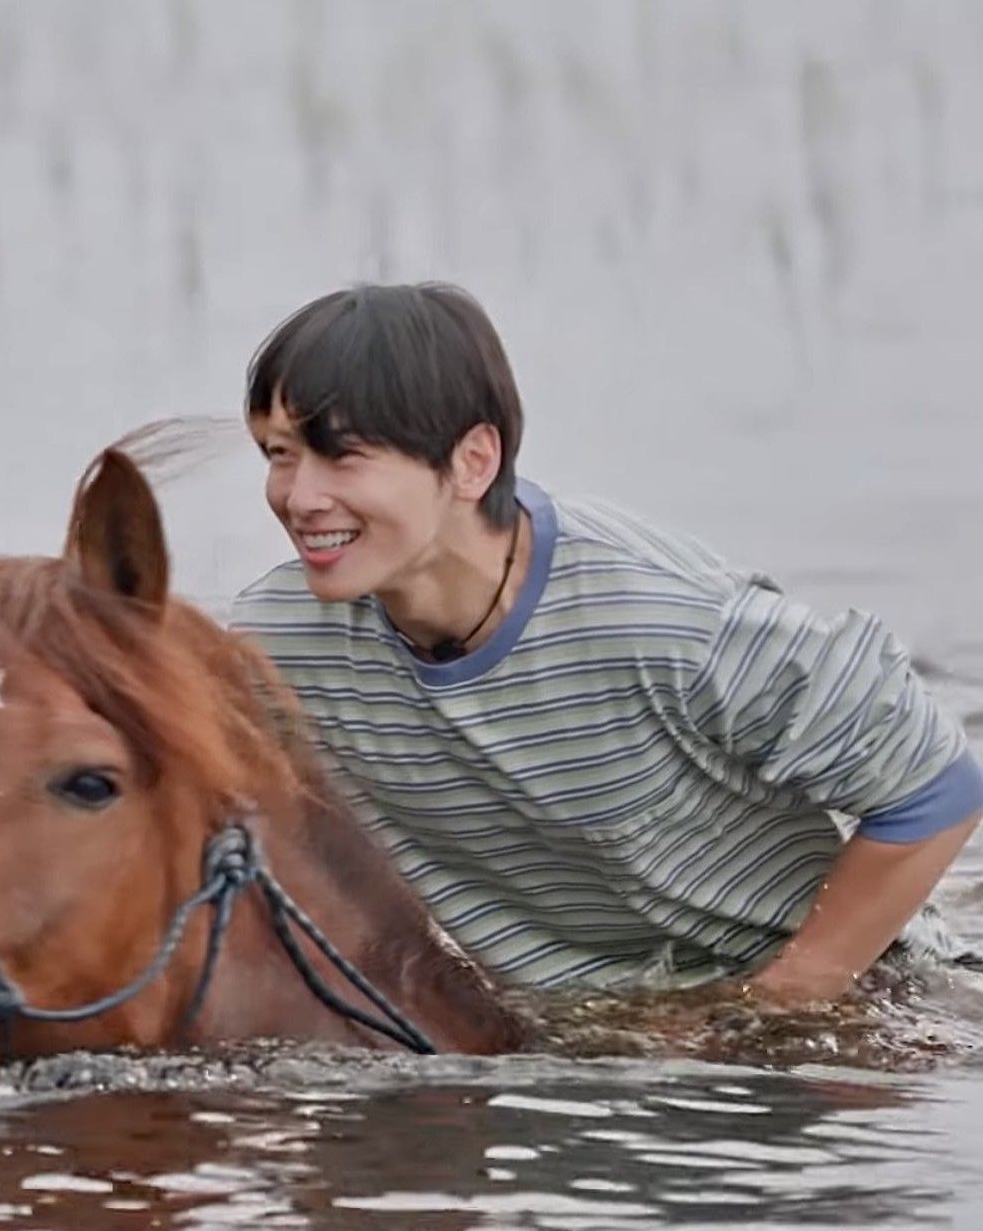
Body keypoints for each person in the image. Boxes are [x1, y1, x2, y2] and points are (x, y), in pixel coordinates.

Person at [232, 282, 983, 1001]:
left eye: (342, 456)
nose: (298, 498)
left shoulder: (667, 619)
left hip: (851, 991)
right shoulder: (277, 644)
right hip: (565, 1034)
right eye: (279, 454)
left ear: (472, 462)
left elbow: (935, 788)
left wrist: (782, 1003)